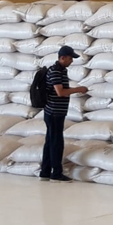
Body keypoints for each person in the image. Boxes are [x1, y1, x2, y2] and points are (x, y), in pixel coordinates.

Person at [39, 46, 88, 183]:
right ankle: (56, 174)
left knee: (50, 142)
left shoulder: (61, 70)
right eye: (70, 58)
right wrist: (78, 89)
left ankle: (45, 172)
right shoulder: (55, 71)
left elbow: (62, 89)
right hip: (54, 112)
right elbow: (60, 92)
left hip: (56, 112)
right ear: (62, 58)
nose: (71, 61)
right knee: (56, 143)